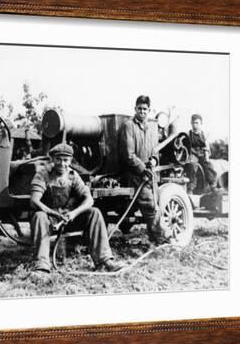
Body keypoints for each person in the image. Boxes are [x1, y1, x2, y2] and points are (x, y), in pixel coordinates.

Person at [30, 143, 119, 273]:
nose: (62, 163)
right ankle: (42, 265)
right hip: (49, 221)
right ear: (52, 159)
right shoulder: (43, 175)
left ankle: (104, 260)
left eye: (65, 160)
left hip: (68, 219)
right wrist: (53, 213)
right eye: (58, 159)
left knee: (94, 213)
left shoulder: (73, 176)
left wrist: (73, 214)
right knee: (39, 216)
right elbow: (34, 200)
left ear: (70, 161)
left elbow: (89, 199)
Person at [119, 95, 165, 244]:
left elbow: (156, 151)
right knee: (151, 207)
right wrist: (142, 168)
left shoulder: (153, 127)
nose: (142, 111)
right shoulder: (129, 126)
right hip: (135, 175)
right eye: (140, 108)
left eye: (145, 109)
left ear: (149, 110)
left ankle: (154, 239)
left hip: (150, 173)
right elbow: (128, 155)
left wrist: (154, 160)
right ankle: (161, 240)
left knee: (156, 205)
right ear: (135, 109)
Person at [185, 114, 218, 194]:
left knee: (209, 165)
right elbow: (186, 147)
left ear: (201, 124)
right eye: (193, 123)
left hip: (202, 153)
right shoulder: (188, 134)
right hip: (193, 154)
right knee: (192, 165)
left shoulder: (204, 135)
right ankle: (190, 188)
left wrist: (207, 154)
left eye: (196, 123)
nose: (194, 125)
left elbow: (207, 147)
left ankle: (213, 186)